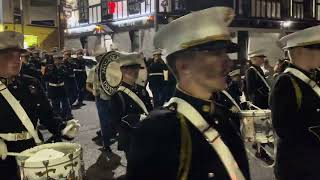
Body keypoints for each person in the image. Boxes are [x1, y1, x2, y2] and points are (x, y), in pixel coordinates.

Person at [127, 7, 250, 180]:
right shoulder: (158, 131)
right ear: (184, 66)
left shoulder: (224, 116)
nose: (228, 62)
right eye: (216, 53)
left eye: (225, 52)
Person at [0, 31, 80, 180]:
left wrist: (63, 127)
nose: (17, 60)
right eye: (8, 56)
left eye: (18, 56)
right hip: (5, 158)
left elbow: (47, 115)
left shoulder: (31, 83)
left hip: (34, 149)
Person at [271, 25, 320, 180]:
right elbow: (284, 129)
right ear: (301, 51)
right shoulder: (286, 82)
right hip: (298, 165)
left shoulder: (310, 78)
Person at [109, 52, 153, 160]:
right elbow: (115, 121)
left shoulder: (142, 89)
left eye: (137, 68)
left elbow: (150, 110)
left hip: (146, 135)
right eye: (131, 68)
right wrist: (136, 119)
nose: (135, 71)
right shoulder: (118, 94)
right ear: (123, 70)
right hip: (131, 138)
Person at [43, 52, 73, 121]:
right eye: (58, 59)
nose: (60, 60)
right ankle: (57, 118)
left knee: (65, 103)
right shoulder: (49, 67)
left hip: (62, 87)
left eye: (61, 59)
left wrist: (62, 70)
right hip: (53, 88)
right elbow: (45, 78)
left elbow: (68, 75)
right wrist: (52, 72)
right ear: (54, 60)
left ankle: (66, 116)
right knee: (55, 104)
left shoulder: (64, 67)